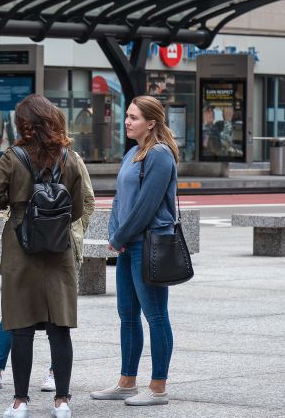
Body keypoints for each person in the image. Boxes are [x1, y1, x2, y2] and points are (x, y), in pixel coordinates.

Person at [0, 108, 95, 396]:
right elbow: (77, 207)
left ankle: (20, 401)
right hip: (58, 248)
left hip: (20, 247)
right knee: (59, 326)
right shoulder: (69, 157)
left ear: (23, 124)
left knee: (20, 325)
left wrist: (16, 201)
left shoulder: (13, 157)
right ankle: (62, 401)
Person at [91, 95, 180, 407]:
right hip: (128, 244)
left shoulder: (160, 154)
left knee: (156, 315)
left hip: (150, 245)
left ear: (151, 122)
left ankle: (158, 387)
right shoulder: (132, 153)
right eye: (127, 116)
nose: (127, 121)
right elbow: (119, 200)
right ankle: (127, 382)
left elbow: (147, 205)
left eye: (134, 117)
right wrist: (115, 233)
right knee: (127, 315)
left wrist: (121, 236)